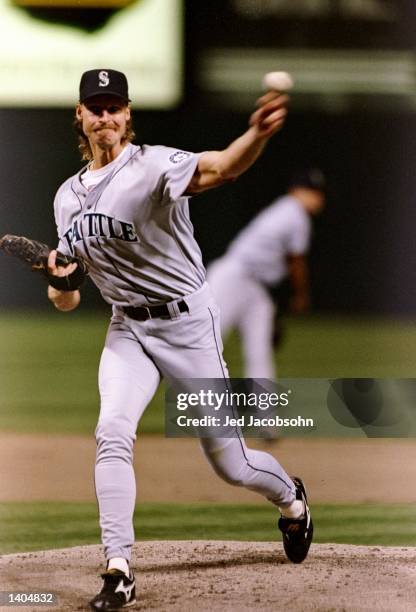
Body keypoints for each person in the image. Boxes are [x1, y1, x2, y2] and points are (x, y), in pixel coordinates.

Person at [46, 68, 313, 611]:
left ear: (127, 114)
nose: (105, 116)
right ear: (80, 116)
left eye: (113, 106)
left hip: (188, 326)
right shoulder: (66, 199)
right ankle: (118, 568)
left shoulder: (153, 166)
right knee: (112, 431)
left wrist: (256, 136)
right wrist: (59, 278)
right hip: (128, 328)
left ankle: (291, 501)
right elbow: (68, 298)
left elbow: (221, 167)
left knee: (230, 463)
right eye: (94, 107)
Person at [207, 170, 326, 380]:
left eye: (318, 193)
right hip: (233, 278)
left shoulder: (284, 209)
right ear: (295, 191)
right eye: (310, 191)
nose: (316, 198)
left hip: (255, 286)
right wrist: (300, 296)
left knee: (259, 350)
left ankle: (264, 412)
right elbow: (297, 262)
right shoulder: (296, 214)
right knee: (206, 342)